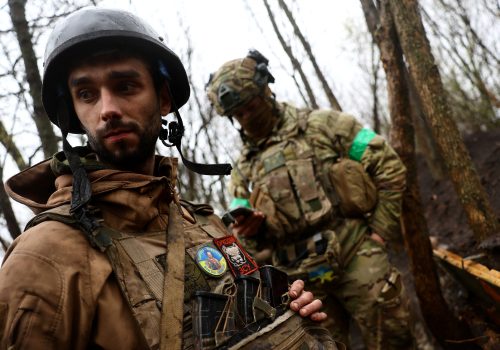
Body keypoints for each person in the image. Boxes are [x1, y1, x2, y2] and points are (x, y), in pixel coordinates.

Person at [0, 8, 337, 350]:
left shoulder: (201, 221)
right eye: (86, 94)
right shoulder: (43, 256)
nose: (107, 109)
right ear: (72, 112)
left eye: (125, 86)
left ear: (162, 99)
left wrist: (288, 312)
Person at [206, 50, 414, 349]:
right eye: (237, 114)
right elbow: (249, 244)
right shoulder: (243, 171)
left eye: (249, 106)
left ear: (266, 90)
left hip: (355, 252)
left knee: (394, 334)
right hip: (301, 285)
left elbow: (387, 165)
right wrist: (250, 233)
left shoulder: (325, 126)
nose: (245, 117)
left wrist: (380, 232)